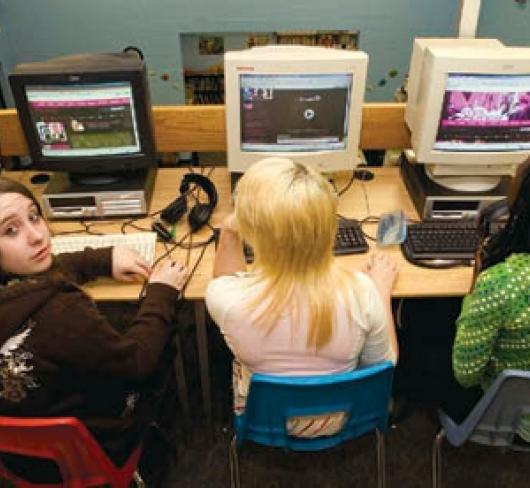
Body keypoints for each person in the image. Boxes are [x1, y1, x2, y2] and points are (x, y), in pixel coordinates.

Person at [0, 176, 188, 481]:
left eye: (34, 217)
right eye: (10, 230)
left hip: (19, 460)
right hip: (92, 449)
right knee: (162, 346)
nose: (36, 236)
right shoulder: (62, 314)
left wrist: (103, 258)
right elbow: (137, 363)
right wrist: (161, 293)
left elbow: (44, 276)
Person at [206, 157, 398, 437]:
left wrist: (228, 232)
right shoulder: (362, 293)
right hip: (342, 415)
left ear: (252, 232)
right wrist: (381, 291)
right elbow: (384, 363)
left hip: (266, 418)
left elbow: (224, 279)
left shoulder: (227, 300)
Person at [449, 158, 530, 440]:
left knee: (419, 332)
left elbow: (466, 375)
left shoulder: (503, 283)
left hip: (508, 413)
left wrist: (475, 290)